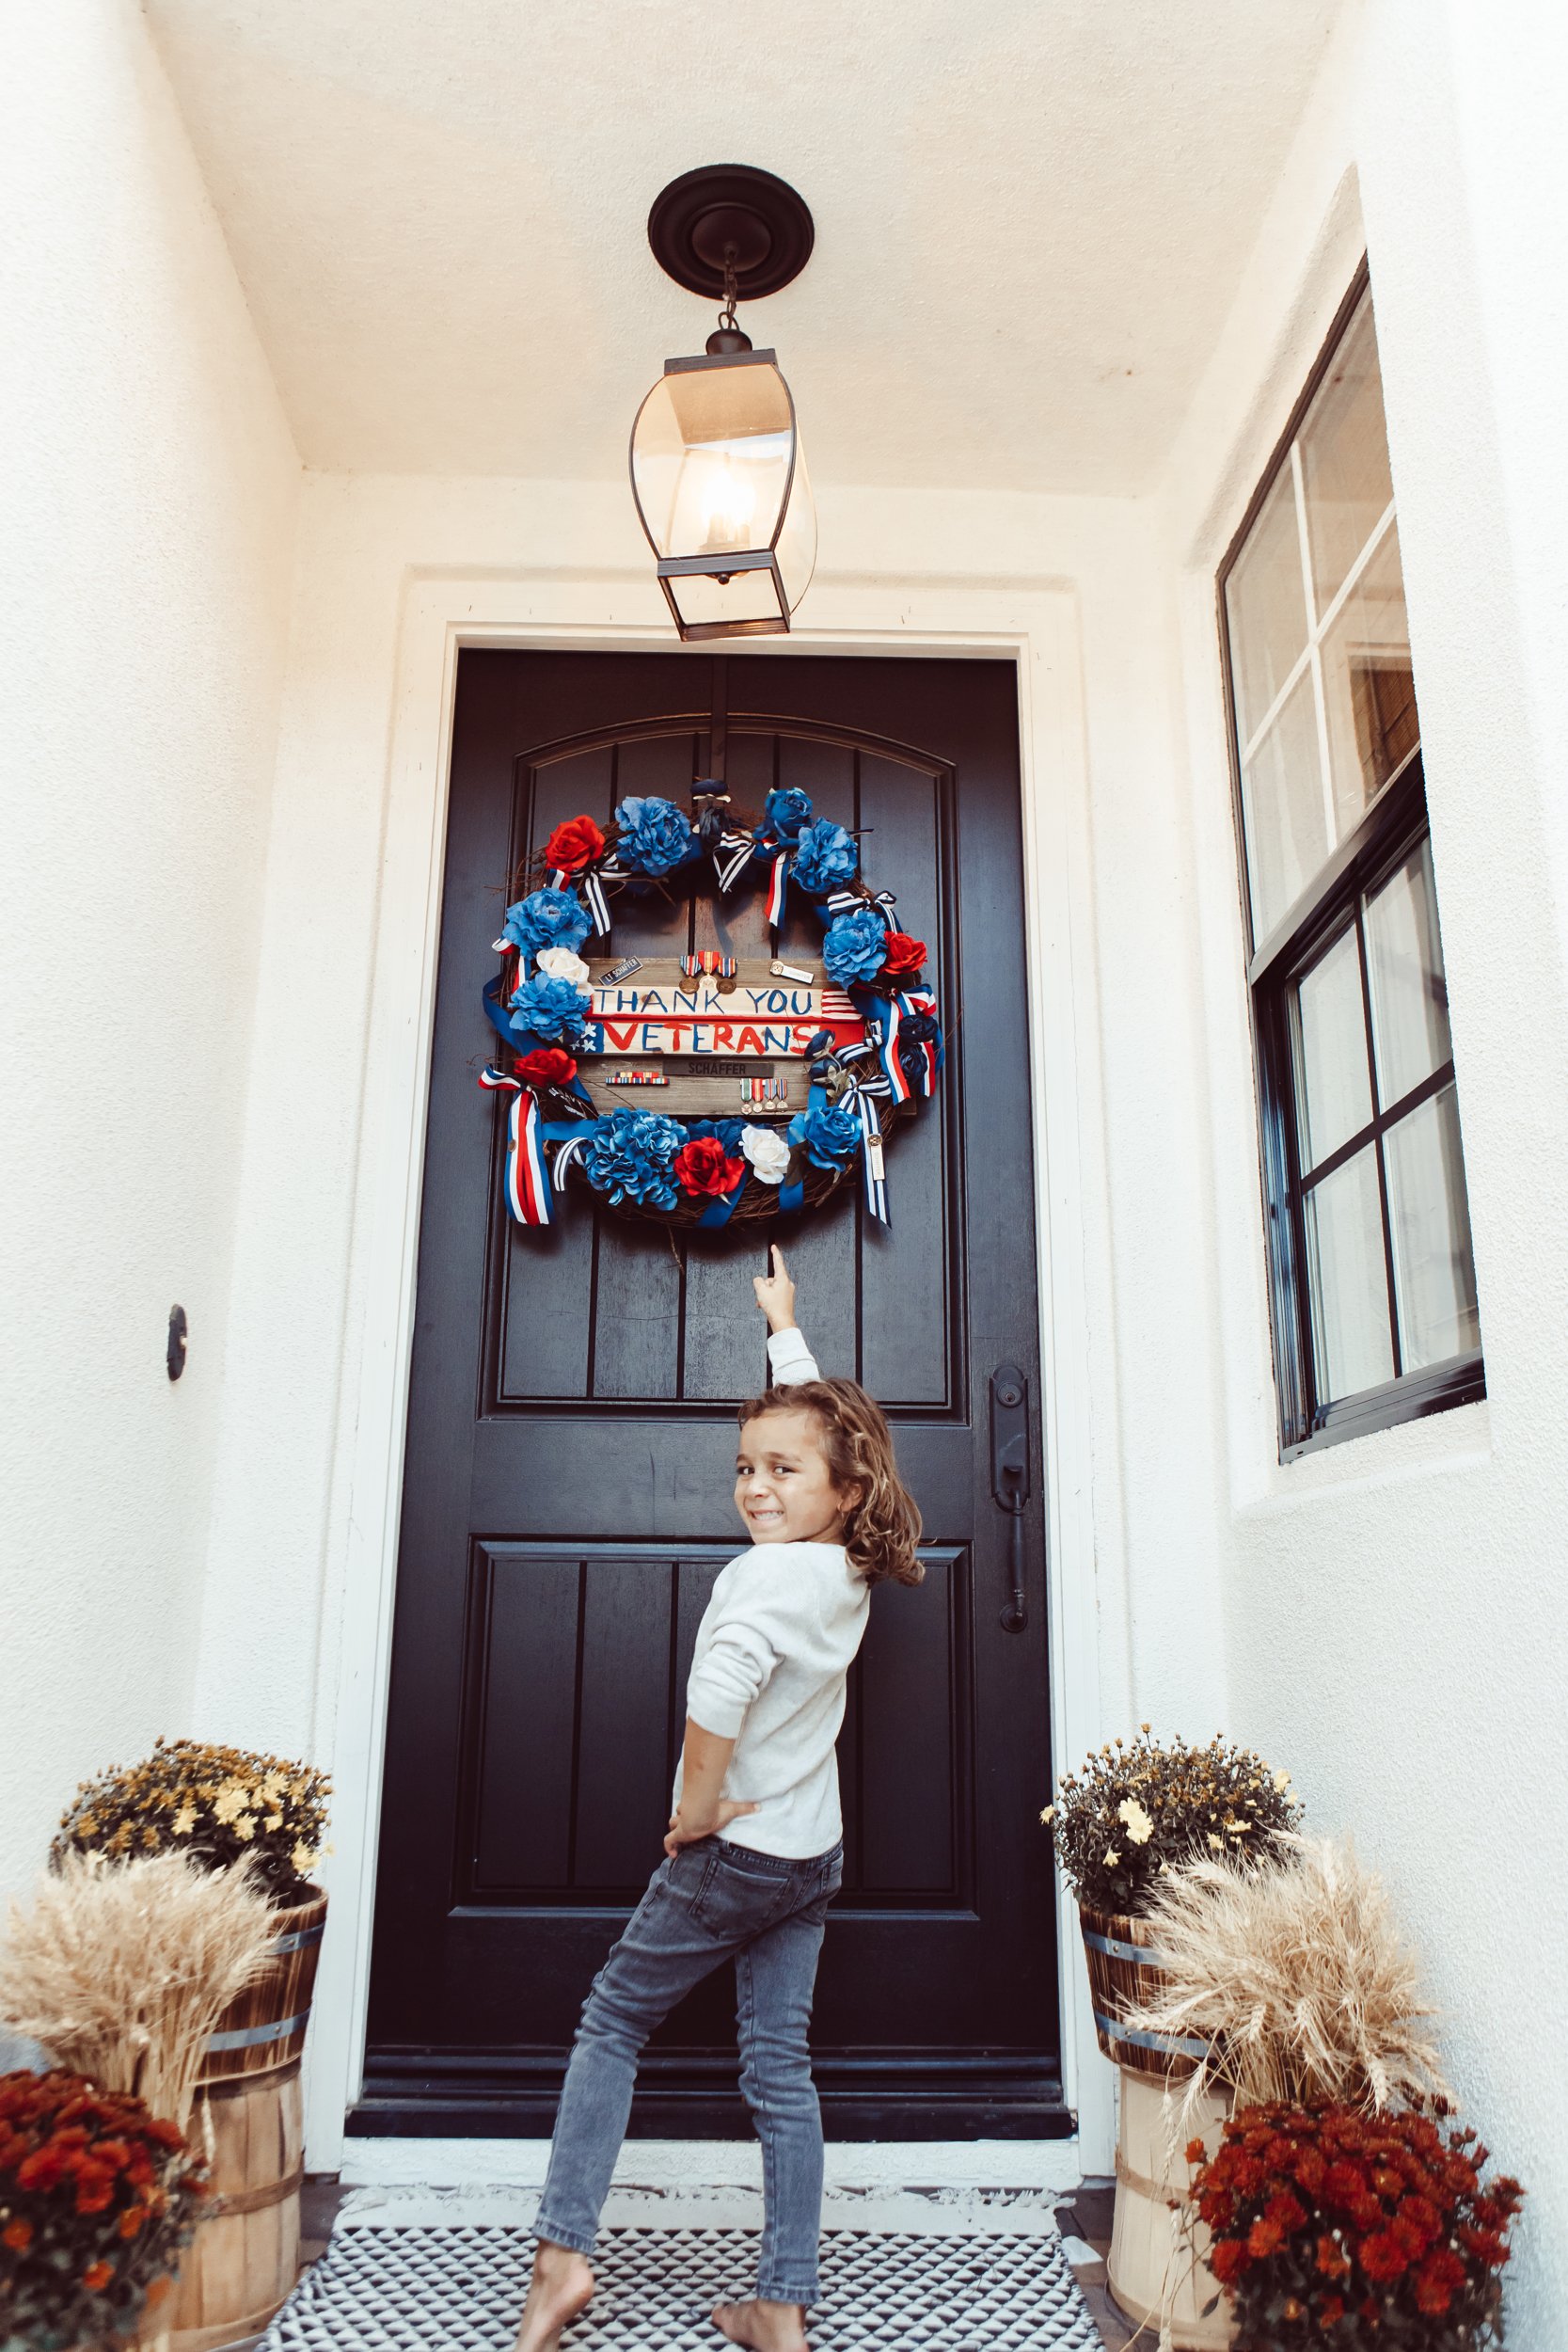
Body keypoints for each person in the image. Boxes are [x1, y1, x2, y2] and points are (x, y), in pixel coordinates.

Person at [513, 1244, 924, 2352]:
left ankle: (559, 2261)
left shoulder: (754, 1586)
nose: (755, 1485)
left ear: (843, 1488)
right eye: (745, 1465)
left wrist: (693, 1817)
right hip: (811, 1854)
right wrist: (783, 1330)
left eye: (780, 1472)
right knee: (778, 2068)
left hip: (732, 1854)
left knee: (611, 2020)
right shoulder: (844, 1565)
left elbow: (713, 1717)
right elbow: (822, 1428)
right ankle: (780, 2305)